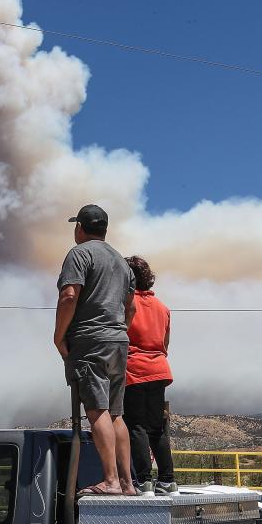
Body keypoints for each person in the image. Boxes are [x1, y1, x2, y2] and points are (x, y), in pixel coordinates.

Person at [54, 204, 136, 496]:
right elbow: (131, 307)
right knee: (116, 413)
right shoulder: (121, 262)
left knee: (96, 408)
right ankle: (127, 483)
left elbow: (69, 295)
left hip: (90, 341)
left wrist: (59, 335)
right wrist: (118, 330)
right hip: (118, 341)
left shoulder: (79, 254)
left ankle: (111, 480)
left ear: (80, 228)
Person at [122, 255, 175, 496]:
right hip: (159, 370)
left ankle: (143, 481)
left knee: (137, 427)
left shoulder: (125, 303)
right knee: (156, 428)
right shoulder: (162, 307)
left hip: (134, 370)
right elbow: (165, 344)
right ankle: (168, 480)